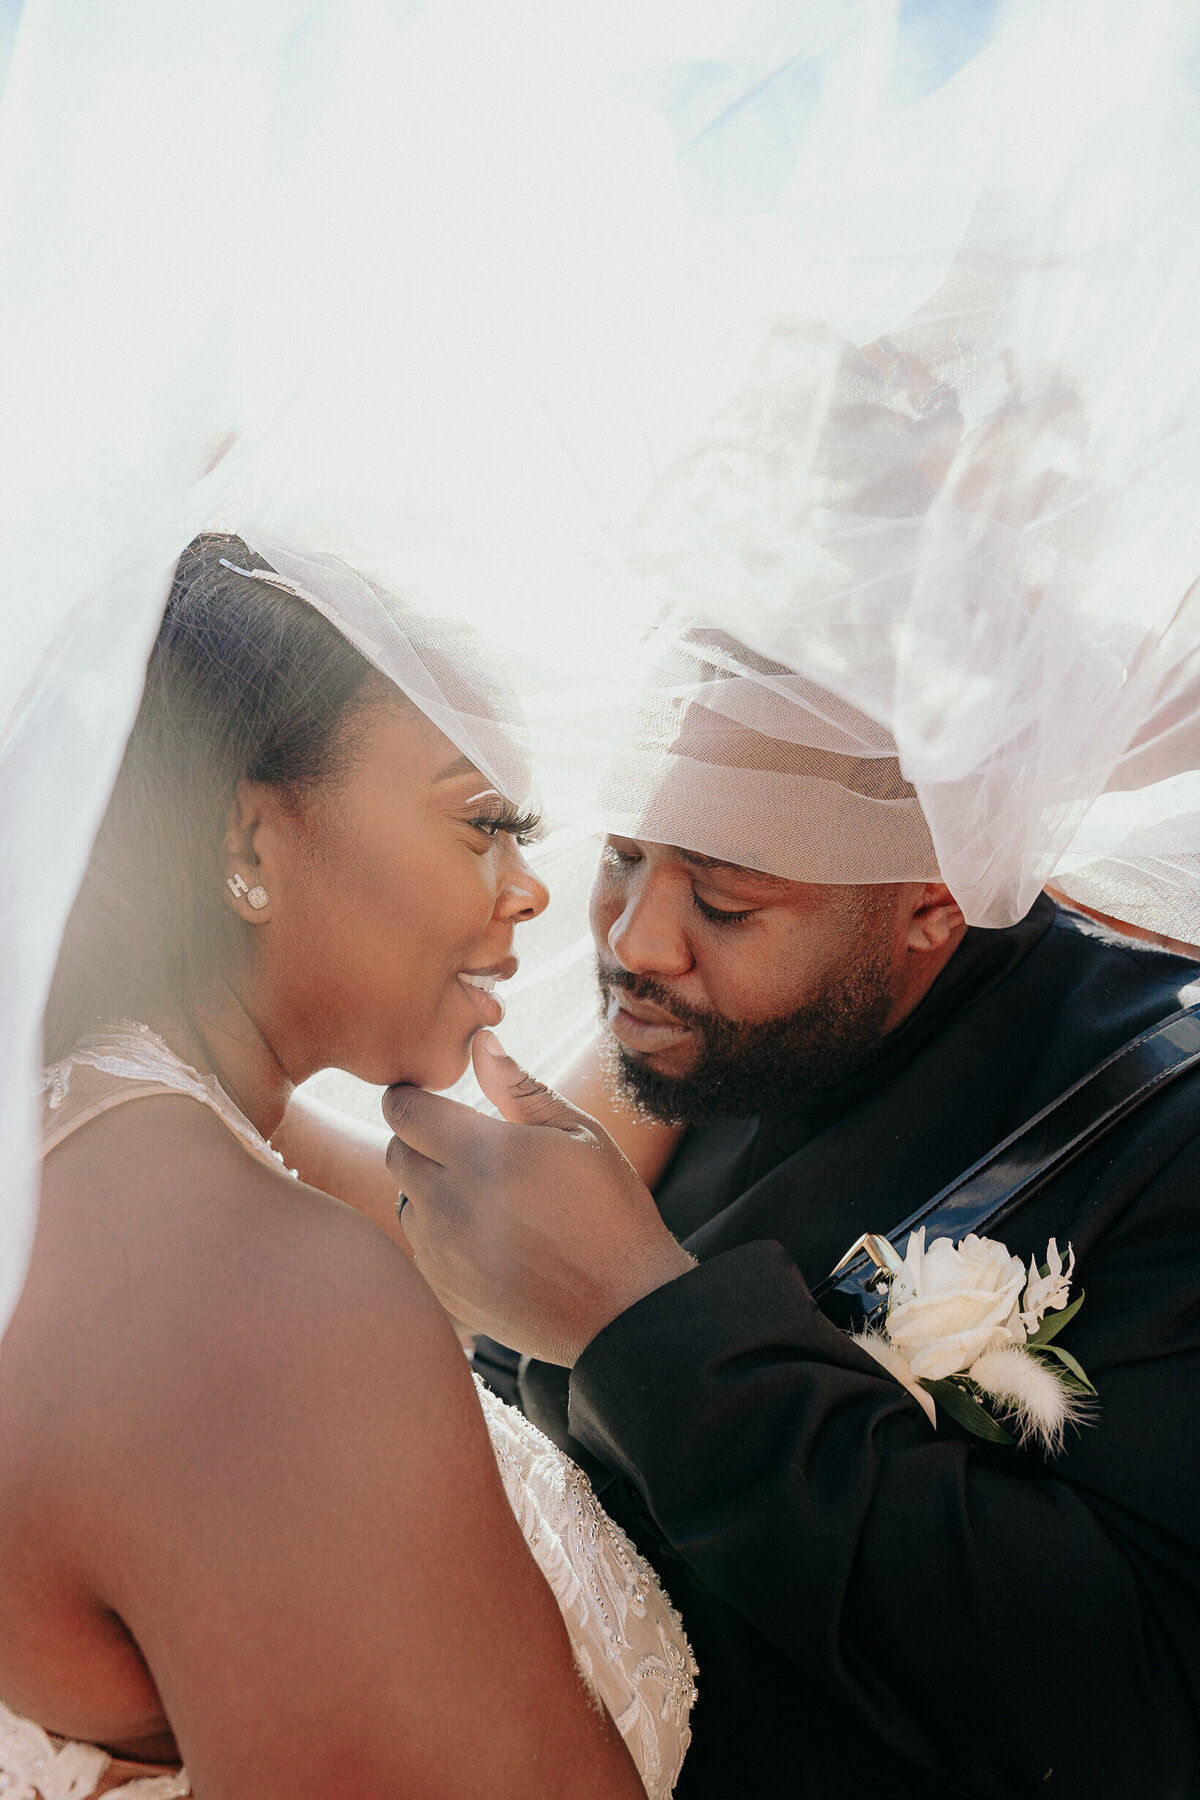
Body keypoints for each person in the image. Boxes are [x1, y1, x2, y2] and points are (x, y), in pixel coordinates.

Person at [380, 336, 1200, 1797]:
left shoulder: (1166, 1123)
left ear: (933, 906)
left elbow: (1136, 1698)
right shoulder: (665, 1046)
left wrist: (645, 1320)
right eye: (621, 857)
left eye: (727, 902)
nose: (634, 940)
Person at [0, 534, 694, 1800]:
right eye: (483, 826)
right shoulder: (258, 1300)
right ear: (253, 848)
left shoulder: (101, 1144)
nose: (536, 892)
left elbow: (463, 1192)